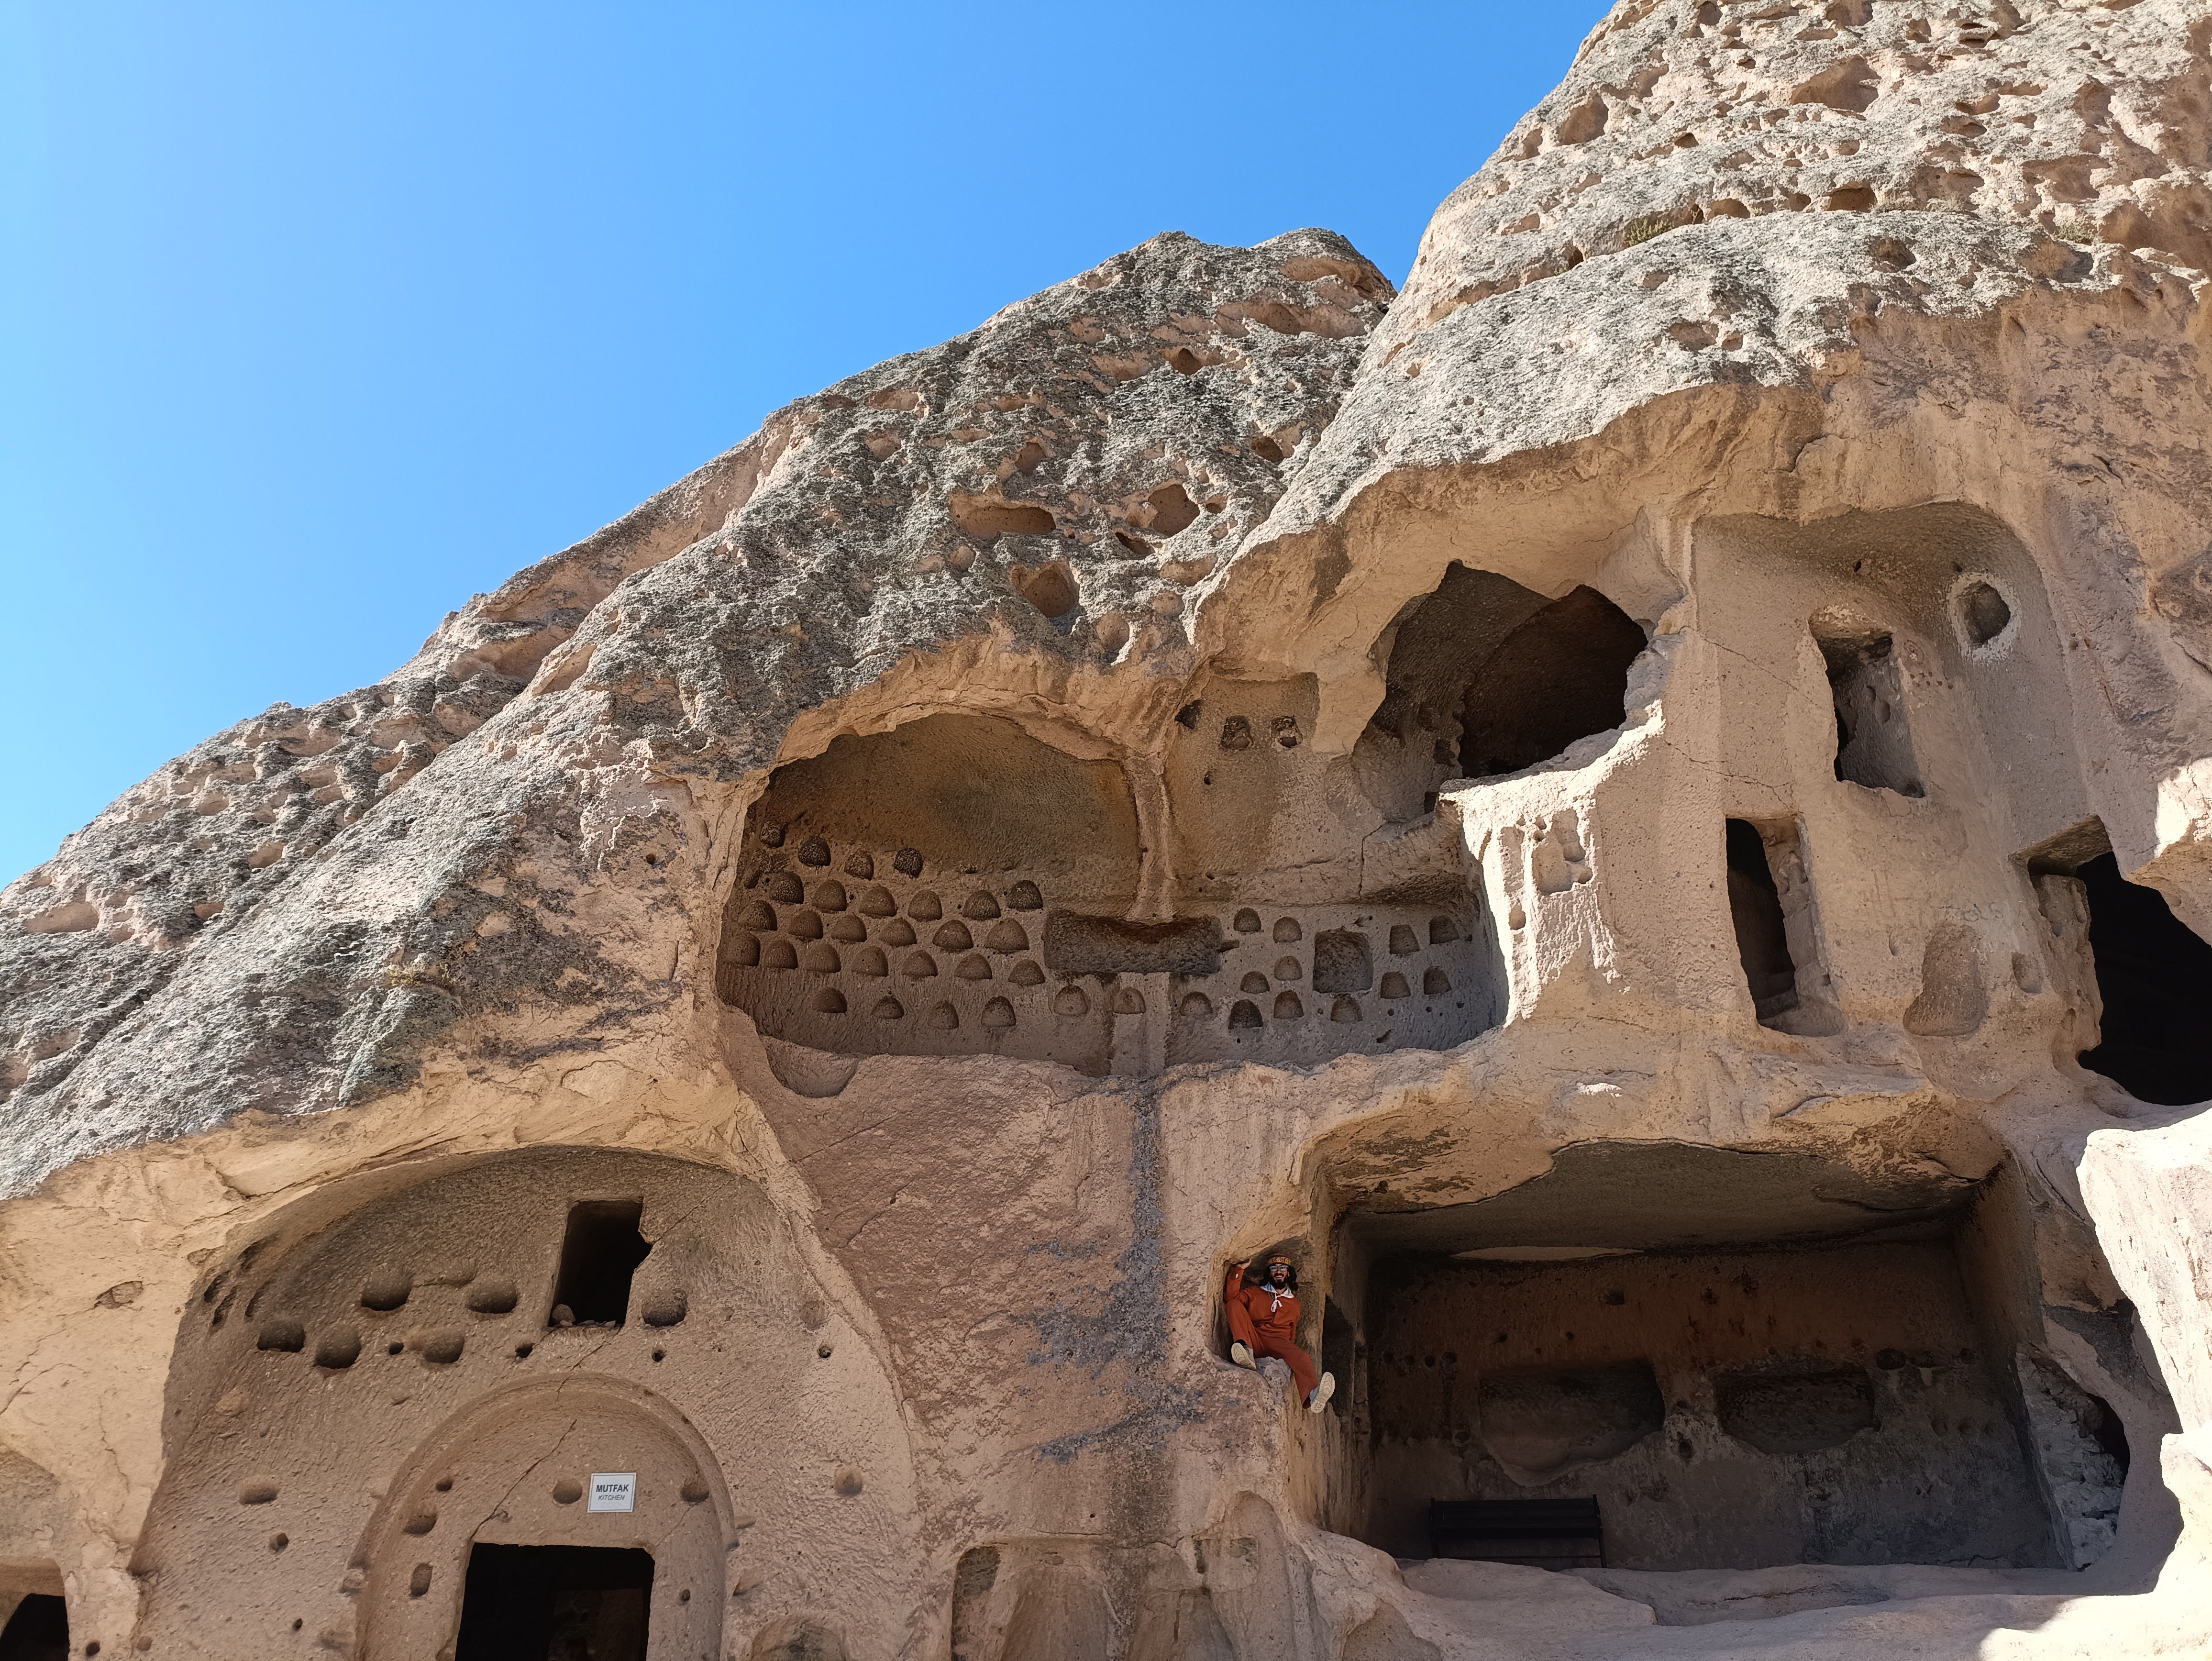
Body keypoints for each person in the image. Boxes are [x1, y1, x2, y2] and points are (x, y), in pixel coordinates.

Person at [1224, 1255, 1335, 1414]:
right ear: (1269, 1274)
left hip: (1279, 1343)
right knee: (1233, 1305)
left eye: (1283, 1268)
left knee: (1303, 1357)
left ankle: (1313, 1395)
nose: (1278, 1271)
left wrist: (1287, 1353)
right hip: (1254, 1337)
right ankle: (1244, 1351)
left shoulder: (1295, 1304)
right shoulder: (1255, 1292)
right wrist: (1239, 1270)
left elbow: (1292, 1331)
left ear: (1288, 1273)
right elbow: (1231, 1297)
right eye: (1274, 1268)